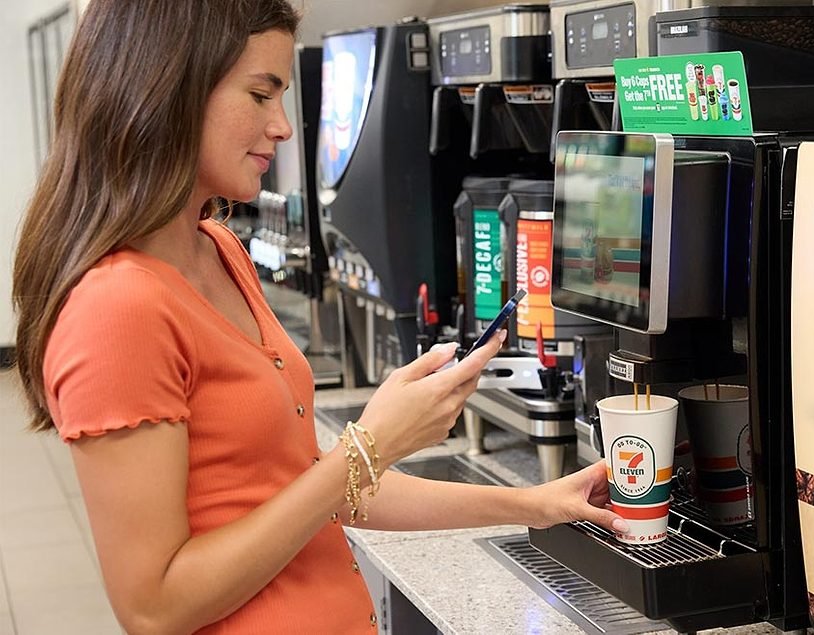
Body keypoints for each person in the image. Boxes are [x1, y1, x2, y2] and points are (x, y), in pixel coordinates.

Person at [10, 2, 626, 633]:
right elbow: (154, 607)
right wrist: (371, 445)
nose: (282, 126)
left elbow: (312, 488)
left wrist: (533, 503)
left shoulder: (219, 249)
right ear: (166, 91)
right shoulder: (116, 307)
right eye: (260, 94)